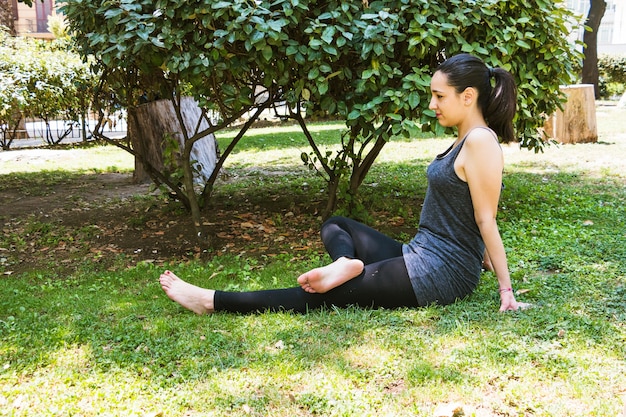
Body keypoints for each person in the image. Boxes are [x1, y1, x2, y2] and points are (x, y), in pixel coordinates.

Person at [159, 53, 530, 314]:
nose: (432, 103)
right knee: (336, 223)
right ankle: (344, 262)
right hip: (419, 253)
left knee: (327, 296)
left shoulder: (480, 141)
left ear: (468, 97)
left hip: (439, 273)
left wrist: (505, 290)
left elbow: (486, 219)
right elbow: (464, 211)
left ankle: (210, 300)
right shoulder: (465, 140)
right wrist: (477, 255)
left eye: (439, 96)